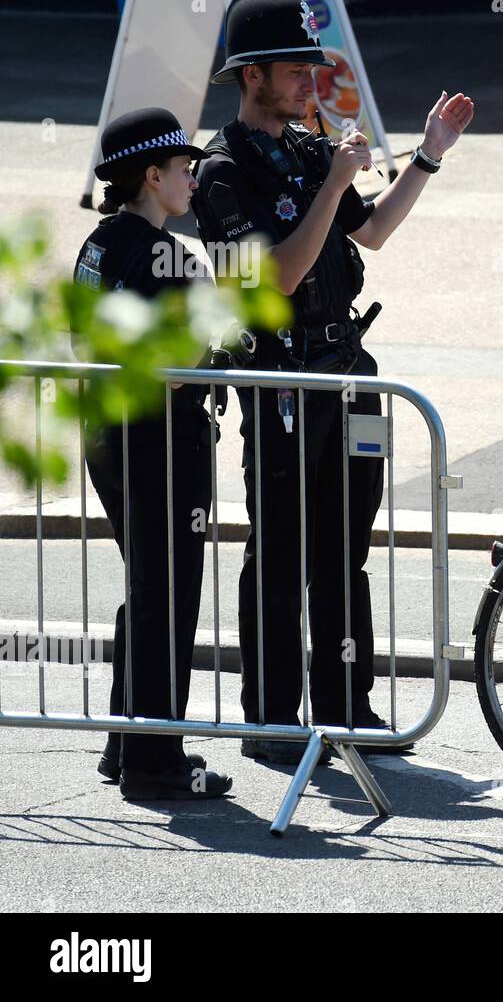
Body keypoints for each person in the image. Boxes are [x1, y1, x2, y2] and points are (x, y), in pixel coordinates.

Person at [192, 0, 474, 762]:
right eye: (293, 70)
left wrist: (427, 157)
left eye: (311, 69)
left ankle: (350, 706)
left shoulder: (309, 148)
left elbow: (375, 232)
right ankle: (272, 716)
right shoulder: (222, 171)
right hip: (283, 376)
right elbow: (275, 278)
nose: (309, 83)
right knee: (280, 546)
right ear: (251, 76)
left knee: (344, 547)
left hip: (348, 366)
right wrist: (333, 184)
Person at [75, 107, 233, 801]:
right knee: (168, 596)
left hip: (107, 435)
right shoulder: (169, 259)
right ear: (151, 176)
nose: (193, 179)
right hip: (162, 438)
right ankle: (155, 761)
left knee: (147, 587)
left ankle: (126, 742)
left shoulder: (98, 244)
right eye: (183, 169)